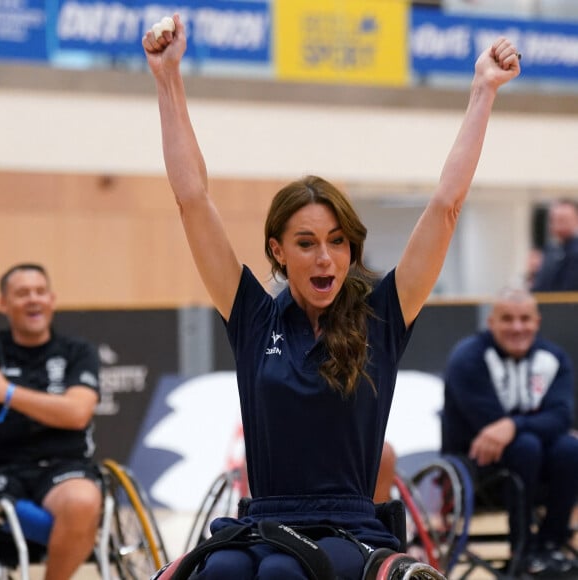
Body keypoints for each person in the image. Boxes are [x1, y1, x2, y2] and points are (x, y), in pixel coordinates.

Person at [143, 15, 520, 579]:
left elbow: (445, 206)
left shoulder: (383, 317)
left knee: (280, 575)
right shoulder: (252, 316)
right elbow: (192, 200)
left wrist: (482, 91)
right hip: (262, 521)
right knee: (219, 572)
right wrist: (167, 78)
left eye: (338, 242)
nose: (326, 258)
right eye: (307, 243)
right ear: (278, 250)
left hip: (347, 527)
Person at [442, 287, 578, 578]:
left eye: (525, 319)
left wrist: (514, 424)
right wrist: (523, 428)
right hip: (477, 470)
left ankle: (550, 545)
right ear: (491, 322)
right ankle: (522, 549)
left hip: (539, 469)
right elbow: (487, 429)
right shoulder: (468, 359)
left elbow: (561, 417)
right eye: (507, 319)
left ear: (537, 322)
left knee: (569, 447)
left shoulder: (553, 359)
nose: (517, 327)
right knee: (525, 446)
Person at [0, 263, 102, 580]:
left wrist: (7, 392)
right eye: (22, 293)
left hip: (62, 468)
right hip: (2, 465)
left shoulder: (77, 352)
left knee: (83, 500)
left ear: (52, 299)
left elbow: (76, 414)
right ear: (3, 304)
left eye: (40, 292)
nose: (33, 299)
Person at [531, 198, 578, 292]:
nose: (558, 224)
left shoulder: (575, 252)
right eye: (554, 219)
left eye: (563, 219)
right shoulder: (550, 250)